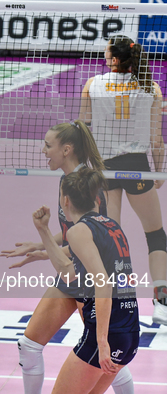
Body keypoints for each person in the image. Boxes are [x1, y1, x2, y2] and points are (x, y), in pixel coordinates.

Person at [0, 120, 134, 394]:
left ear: (67, 149)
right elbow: (72, 230)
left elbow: (91, 238)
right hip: (71, 273)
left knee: (105, 348)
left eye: (48, 145)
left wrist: (44, 247)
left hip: (89, 281)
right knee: (29, 345)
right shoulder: (67, 181)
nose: (43, 150)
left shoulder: (89, 185)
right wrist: (40, 246)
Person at [80, 35, 167, 325]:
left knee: (108, 238)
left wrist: (86, 168)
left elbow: (83, 131)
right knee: (155, 234)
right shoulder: (150, 88)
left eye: (106, 52)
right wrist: (159, 172)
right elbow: (157, 141)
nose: (103, 55)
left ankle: (112, 301)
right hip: (138, 167)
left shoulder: (93, 85)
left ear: (115, 59)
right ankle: (162, 302)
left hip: (104, 167)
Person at [32, 167, 139, 394]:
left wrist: (101, 342)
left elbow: (103, 282)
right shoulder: (111, 226)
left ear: (65, 200)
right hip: (128, 333)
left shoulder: (79, 231)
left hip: (106, 336)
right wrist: (43, 231)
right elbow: (70, 274)